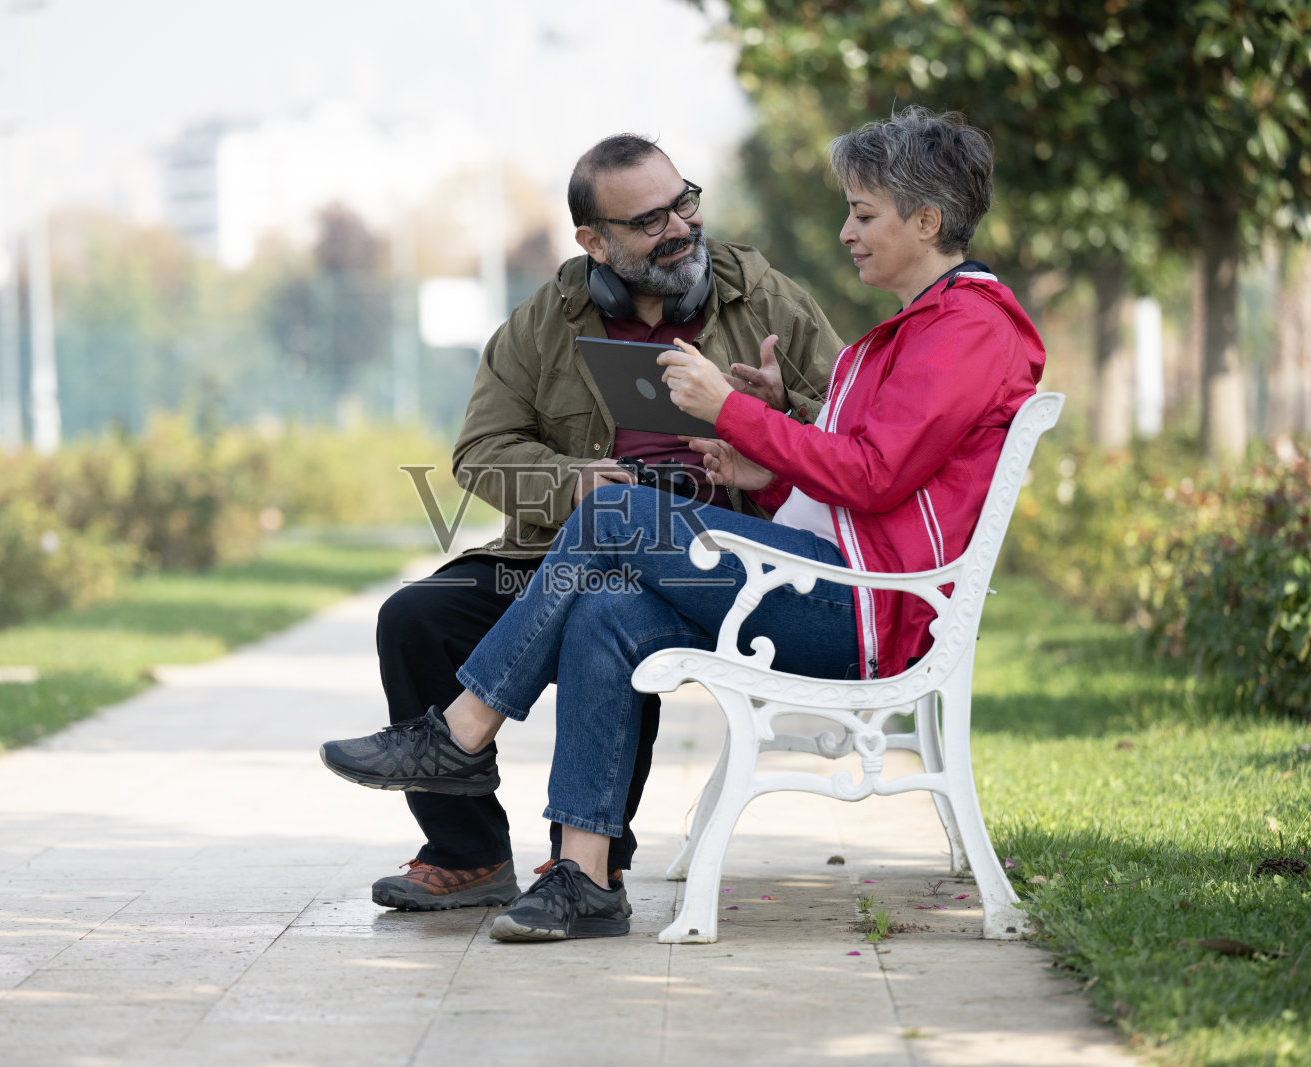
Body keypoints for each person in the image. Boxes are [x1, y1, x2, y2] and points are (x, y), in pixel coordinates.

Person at [327, 106, 1046, 940]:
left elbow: (876, 476)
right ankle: (586, 879)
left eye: (862, 212)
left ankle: (461, 729)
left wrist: (737, 413)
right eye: (647, 219)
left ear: (927, 220)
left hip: (860, 605)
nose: (846, 230)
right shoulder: (917, 330)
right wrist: (766, 464)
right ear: (596, 242)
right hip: (813, 575)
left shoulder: (964, 328)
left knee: (613, 516)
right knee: (600, 603)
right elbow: (857, 480)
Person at [363, 134, 844, 912]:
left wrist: (767, 410)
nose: (680, 227)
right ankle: (469, 854)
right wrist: (571, 481)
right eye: (649, 221)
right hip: (566, 544)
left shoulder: (764, 297)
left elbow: (859, 431)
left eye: (683, 202)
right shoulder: (547, 318)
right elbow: (480, 452)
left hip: (717, 559)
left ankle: (589, 863)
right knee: (414, 617)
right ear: (595, 242)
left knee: (612, 606)